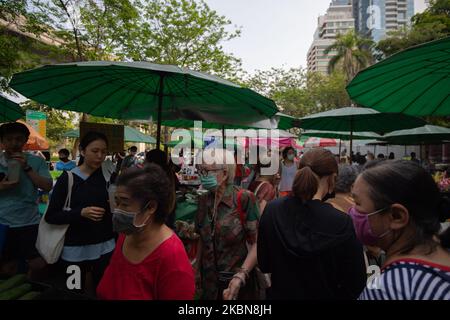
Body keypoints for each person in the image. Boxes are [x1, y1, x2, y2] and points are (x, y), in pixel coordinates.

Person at [258, 148, 367, 300]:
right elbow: (356, 282)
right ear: (332, 178)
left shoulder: (273, 210)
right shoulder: (341, 222)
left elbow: (264, 264)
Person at [351, 160, 450, 300]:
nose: (352, 211)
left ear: (397, 216)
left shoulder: (388, 289)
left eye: (357, 203)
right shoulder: (441, 250)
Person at [97, 164, 195, 300]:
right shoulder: (126, 234)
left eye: (125, 204)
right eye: (116, 202)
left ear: (151, 207)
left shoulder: (173, 259)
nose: (118, 210)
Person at [45, 131, 115, 295]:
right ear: (82, 151)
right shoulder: (67, 179)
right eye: (95, 151)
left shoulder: (107, 177)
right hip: (74, 250)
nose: (100, 156)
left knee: (103, 289)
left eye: (104, 152)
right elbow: (51, 216)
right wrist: (80, 213)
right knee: (73, 290)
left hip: (105, 246)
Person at [195, 148, 263, 300]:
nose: (201, 176)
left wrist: (241, 275)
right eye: (200, 171)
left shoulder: (244, 198)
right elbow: (202, 237)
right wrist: (196, 269)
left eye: (206, 172)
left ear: (224, 174)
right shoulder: (203, 200)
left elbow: (258, 243)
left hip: (236, 286)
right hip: (209, 285)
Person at [0, 122, 53, 278]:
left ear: (25, 141)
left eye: (18, 139)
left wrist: (26, 168)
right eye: (9, 139)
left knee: (36, 264)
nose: (14, 143)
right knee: (5, 265)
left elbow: (48, 186)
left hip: (29, 222)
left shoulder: (36, 161)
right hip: (2, 223)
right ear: (2, 141)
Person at [145, 149, 178, 229]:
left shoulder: (155, 176)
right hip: (167, 212)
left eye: (146, 160)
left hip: (159, 216)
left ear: (152, 162)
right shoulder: (168, 172)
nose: (144, 163)